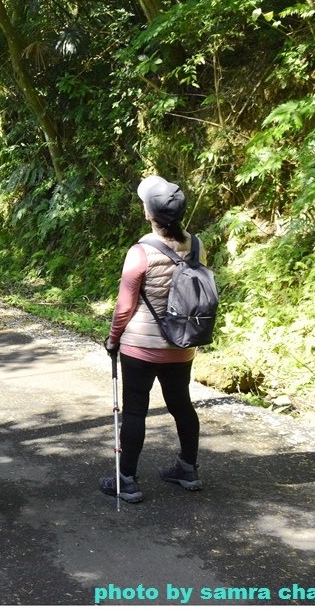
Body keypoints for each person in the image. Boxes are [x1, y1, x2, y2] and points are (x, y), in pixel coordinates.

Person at [99, 175, 206, 504]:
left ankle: (127, 479)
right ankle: (188, 469)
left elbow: (124, 306)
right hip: (182, 344)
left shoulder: (141, 252)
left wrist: (113, 339)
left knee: (135, 411)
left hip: (141, 346)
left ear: (149, 214)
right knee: (181, 404)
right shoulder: (198, 245)